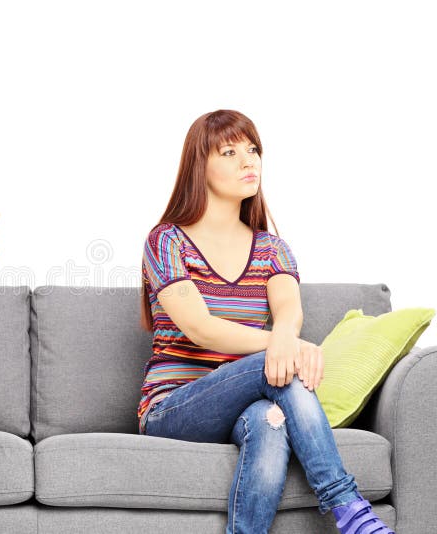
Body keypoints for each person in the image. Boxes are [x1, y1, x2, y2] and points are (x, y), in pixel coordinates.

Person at [138, 110, 393, 534]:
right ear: (199, 166)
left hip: (249, 404)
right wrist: (282, 345)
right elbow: (199, 326)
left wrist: (285, 339)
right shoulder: (166, 240)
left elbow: (290, 311)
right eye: (230, 151)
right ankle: (346, 505)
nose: (248, 161)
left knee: (269, 422)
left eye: (253, 150)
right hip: (174, 407)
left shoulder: (272, 248)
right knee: (278, 363)